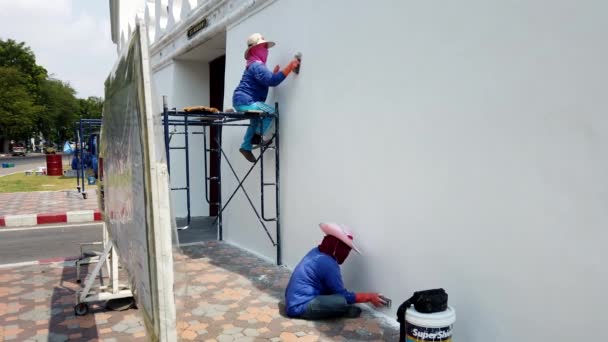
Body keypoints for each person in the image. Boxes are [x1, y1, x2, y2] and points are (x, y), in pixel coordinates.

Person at [284, 223, 386, 320]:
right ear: (336, 245)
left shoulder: (316, 251)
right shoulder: (328, 263)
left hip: (292, 299)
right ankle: (342, 311)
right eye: (345, 248)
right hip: (299, 306)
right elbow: (342, 295)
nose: (346, 253)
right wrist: (369, 297)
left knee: (333, 294)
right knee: (341, 301)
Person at [232, 33, 300, 162]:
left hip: (241, 100)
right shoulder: (257, 66)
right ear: (255, 50)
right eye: (264, 47)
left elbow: (266, 80)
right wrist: (290, 66)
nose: (266, 51)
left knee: (255, 120)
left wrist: (273, 74)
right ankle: (256, 138)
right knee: (271, 112)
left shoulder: (253, 65)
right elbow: (273, 81)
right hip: (246, 101)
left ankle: (245, 146)